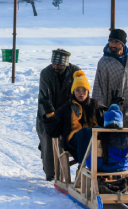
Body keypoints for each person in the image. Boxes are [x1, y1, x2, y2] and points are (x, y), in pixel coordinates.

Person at [92, 29, 128, 153]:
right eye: (111, 41)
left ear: (122, 44)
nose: (112, 45)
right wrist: (102, 109)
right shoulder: (103, 62)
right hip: (113, 110)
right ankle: (116, 169)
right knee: (116, 142)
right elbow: (98, 87)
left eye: (116, 42)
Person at [42, 70, 106, 167]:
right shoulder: (66, 109)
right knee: (86, 132)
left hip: (95, 139)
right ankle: (82, 168)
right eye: (77, 90)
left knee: (101, 131)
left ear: (88, 91)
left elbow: (108, 124)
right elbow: (53, 131)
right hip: (74, 140)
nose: (81, 93)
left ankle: (108, 171)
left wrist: (114, 109)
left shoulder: (96, 107)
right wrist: (49, 111)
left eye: (84, 90)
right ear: (73, 91)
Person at [36, 49, 80, 181]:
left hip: (69, 114)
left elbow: (79, 93)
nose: (56, 67)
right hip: (49, 113)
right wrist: (52, 116)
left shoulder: (75, 72)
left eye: (59, 65)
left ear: (66, 65)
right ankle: (50, 172)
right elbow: (45, 97)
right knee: (49, 141)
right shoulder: (46, 73)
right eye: (54, 64)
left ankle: (80, 170)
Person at [86, 104, 128, 173]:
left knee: (91, 161)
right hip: (122, 166)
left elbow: (92, 163)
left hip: (103, 167)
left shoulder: (100, 135)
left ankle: (99, 180)